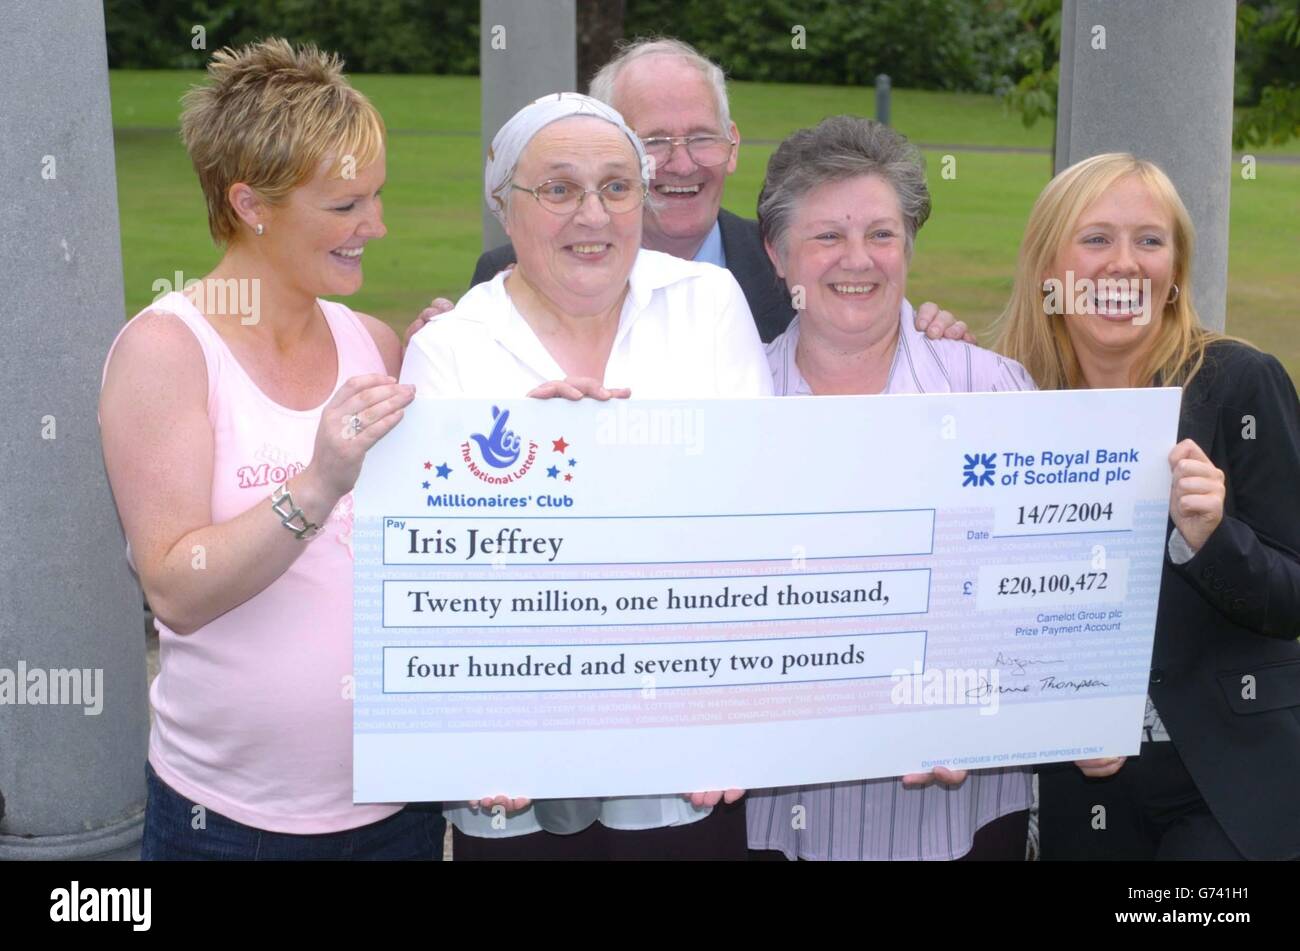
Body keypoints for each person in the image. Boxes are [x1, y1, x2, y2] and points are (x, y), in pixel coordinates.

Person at [98, 39, 442, 859]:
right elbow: (177, 589)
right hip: (229, 827)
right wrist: (316, 483)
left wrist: (467, 366)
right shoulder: (166, 352)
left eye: (378, 197)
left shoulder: (376, 343)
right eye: (346, 205)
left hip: (398, 806)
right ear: (252, 204)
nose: (377, 225)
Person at [401, 92, 767, 860]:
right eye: (559, 189)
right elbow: (433, 571)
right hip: (516, 756)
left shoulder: (708, 303)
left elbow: (751, 515)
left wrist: (732, 713)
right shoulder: (454, 347)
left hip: (682, 742)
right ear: (506, 207)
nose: (593, 215)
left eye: (616, 186)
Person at [993, 152, 1300, 860]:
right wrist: (1059, 716)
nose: (1123, 264)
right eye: (1096, 238)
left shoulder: (1240, 385)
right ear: (1049, 267)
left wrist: (1215, 539)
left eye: (1150, 240)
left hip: (1231, 785)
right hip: (1082, 790)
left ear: (1175, 272)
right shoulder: (1007, 403)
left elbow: (1292, 595)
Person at [745, 116, 1036, 861]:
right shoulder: (732, 405)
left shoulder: (990, 389)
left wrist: (997, 716)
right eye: (827, 237)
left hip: (963, 811)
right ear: (778, 255)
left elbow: (1035, 596)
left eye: (881, 233)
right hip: (786, 818)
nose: (858, 260)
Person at [409, 38, 969, 347]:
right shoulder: (509, 271)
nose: (682, 163)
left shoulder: (790, 263)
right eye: (654, 141)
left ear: (733, 146)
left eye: (702, 137)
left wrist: (922, 334)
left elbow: (861, 336)